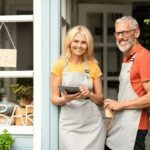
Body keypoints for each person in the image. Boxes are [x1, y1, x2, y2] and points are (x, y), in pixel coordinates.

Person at [51, 25, 106, 150]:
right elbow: (54, 99)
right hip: (69, 125)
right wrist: (66, 99)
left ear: (88, 45)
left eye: (83, 42)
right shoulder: (59, 65)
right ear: (69, 42)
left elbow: (101, 100)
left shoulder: (93, 66)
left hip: (92, 124)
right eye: (76, 41)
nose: (79, 45)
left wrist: (90, 94)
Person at [104, 16, 150, 150]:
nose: (119, 37)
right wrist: (113, 116)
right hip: (121, 123)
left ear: (137, 33)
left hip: (135, 128)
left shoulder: (144, 57)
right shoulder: (127, 57)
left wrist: (120, 105)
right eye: (117, 33)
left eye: (124, 32)